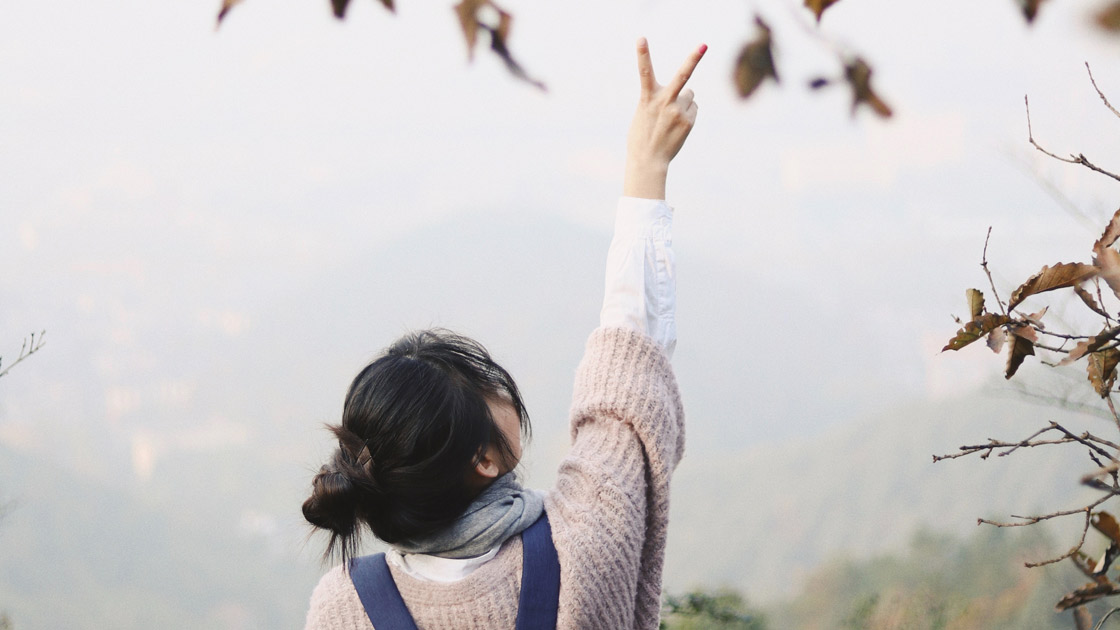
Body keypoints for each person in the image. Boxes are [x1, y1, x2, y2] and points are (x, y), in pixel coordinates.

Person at [301, 37, 705, 630]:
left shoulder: (344, 608)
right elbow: (628, 378)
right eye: (489, 386)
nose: (501, 389)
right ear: (486, 458)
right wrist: (646, 171)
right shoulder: (579, 550)